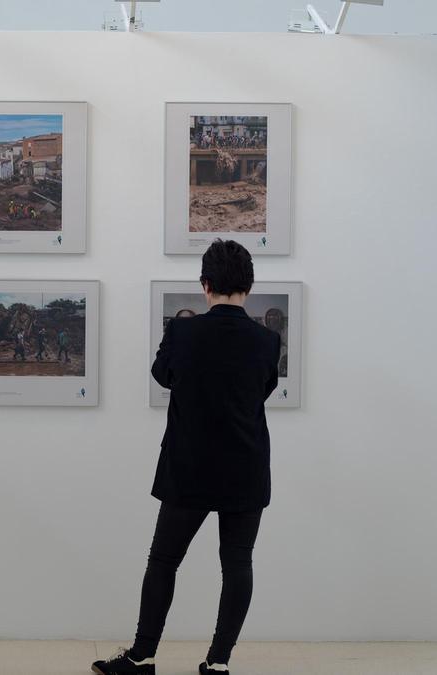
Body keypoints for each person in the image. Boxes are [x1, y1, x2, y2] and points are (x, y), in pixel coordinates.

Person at [92, 239, 281, 675]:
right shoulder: (267, 341)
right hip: (245, 468)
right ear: (248, 286)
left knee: (163, 561)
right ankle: (217, 663)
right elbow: (263, 389)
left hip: (189, 465)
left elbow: (163, 375)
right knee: (237, 565)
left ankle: (142, 656)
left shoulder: (183, 332)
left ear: (205, 284)